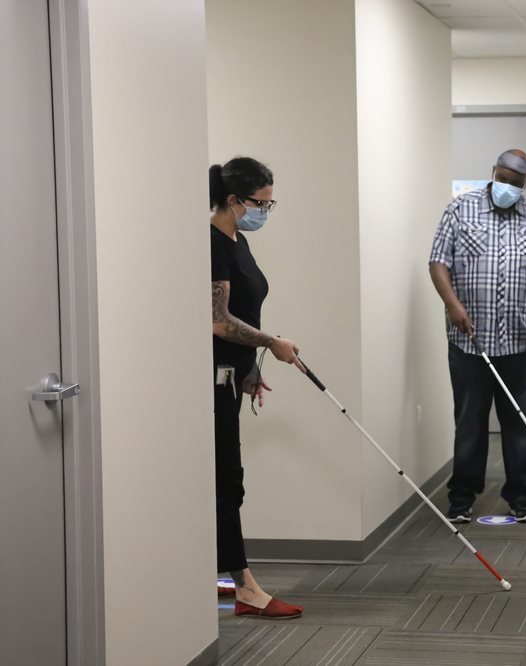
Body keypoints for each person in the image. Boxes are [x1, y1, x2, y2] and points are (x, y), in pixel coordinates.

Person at [428, 149, 526, 524]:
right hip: (469, 343)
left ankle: (520, 496)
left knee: (519, 424)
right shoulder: (460, 210)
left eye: (514, 182)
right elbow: (438, 262)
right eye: (501, 178)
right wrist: (452, 303)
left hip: (521, 344)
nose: (505, 186)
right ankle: (462, 497)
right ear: (492, 172)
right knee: (470, 422)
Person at [209, 157, 306, 619]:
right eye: (260, 203)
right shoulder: (210, 244)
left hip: (232, 377)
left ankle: (216, 570)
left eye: (270, 203)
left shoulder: (238, 241)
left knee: (224, 480)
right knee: (227, 482)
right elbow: (218, 322)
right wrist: (273, 344)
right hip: (209, 382)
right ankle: (245, 587)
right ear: (233, 200)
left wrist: (250, 367)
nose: (265, 211)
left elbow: (245, 310)